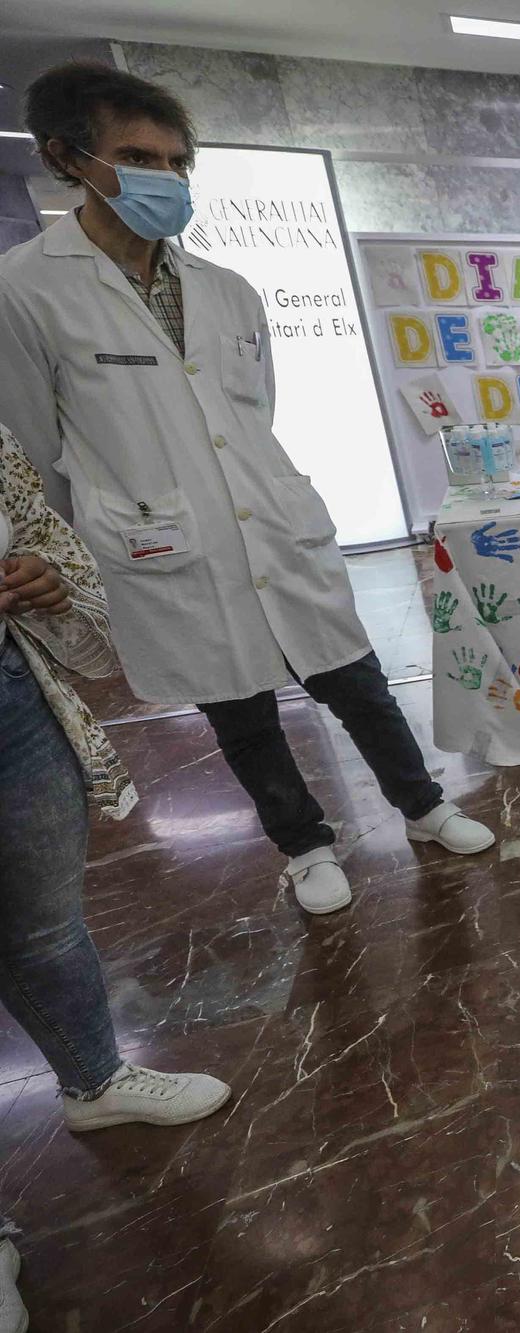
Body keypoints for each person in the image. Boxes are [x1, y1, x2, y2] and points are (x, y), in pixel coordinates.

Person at [0, 62, 494, 917]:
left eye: (176, 161)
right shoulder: (25, 289)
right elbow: (35, 450)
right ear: (67, 157)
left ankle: (423, 805)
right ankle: (304, 845)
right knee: (242, 713)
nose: (164, 178)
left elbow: (250, 413)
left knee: (360, 682)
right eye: (138, 156)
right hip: (166, 542)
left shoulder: (227, 290)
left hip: (274, 523)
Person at [1, 421, 233, 1330]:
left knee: (44, 923)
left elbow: (47, 543)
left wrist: (50, 587)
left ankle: (95, 1083)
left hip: (13, 701)